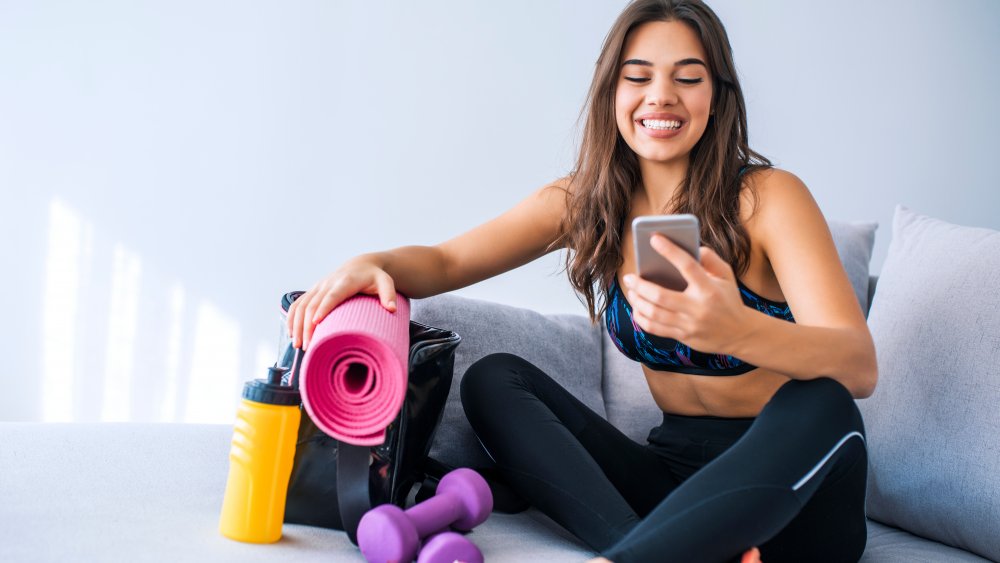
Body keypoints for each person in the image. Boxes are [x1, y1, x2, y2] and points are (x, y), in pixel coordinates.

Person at [287, 1, 877, 561]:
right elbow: (446, 263)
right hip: (670, 481)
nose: (661, 96)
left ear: (718, 97)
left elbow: (857, 365)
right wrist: (373, 263)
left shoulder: (769, 199)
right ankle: (656, 549)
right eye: (638, 76)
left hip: (792, 499)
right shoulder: (587, 203)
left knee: (822, 399)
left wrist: (735, 329)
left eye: (688, 78)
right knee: (495, 378)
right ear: (611, 92)